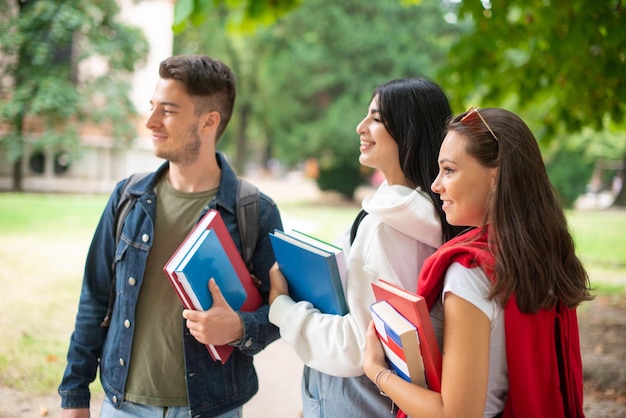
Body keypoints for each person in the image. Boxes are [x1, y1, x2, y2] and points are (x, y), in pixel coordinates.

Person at [58, 55, 283, 418]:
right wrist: (75, 394)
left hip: (212, 409)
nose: (150, 122)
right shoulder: (127, 198)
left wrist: (241, 326)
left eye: (168, 111)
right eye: (152, 108)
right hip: (123, 406)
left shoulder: (255, 211)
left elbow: (284, 312)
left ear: (209, 121)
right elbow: (94, 298)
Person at [363, 107, 593, 418]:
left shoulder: (469, 272)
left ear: (496, 178)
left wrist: (376, 371)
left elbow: (455, 414)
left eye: (449, 170)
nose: (435, 185)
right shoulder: (543, 256)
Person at [268, 78, 462, 417]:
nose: (361, 127)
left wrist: (282, 307)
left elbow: (358, 344)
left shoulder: (385, 226)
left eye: (375, 118)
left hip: (359, 400)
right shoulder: (438, 214)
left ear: (408, 131)